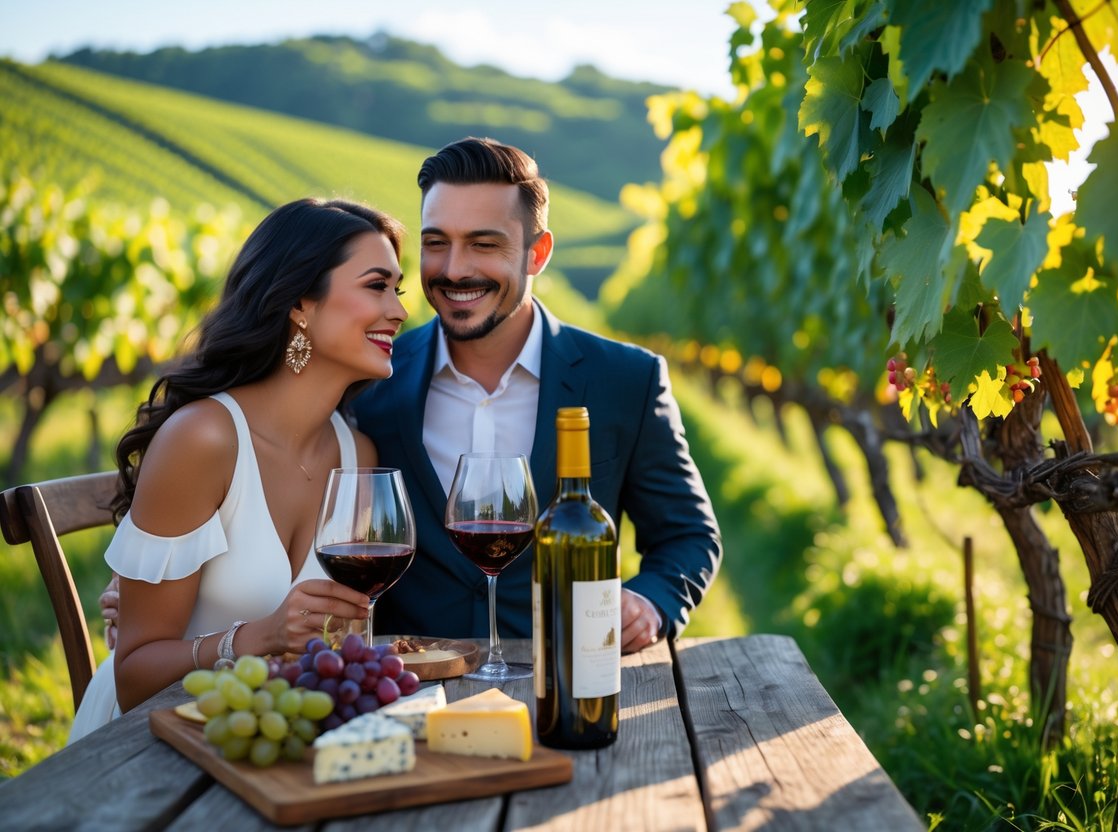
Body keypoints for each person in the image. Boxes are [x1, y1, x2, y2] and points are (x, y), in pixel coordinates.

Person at [353, 137, 722, 653]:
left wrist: (650, 602)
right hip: (412, 685)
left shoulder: (628, 380)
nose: (454, 269)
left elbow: (688, 535)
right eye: (436, 242)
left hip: (567, 677)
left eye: (484, 245)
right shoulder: (371, 383)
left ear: (538, 253)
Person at [73, 198, 407, 741]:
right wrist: (259, 637)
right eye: (376, 286)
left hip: (278, 738)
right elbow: (133, 678)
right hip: (153, 743)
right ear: (300, 303)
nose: (398, 311)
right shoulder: (204, 439)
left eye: (398, 290)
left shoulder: (358, 457)